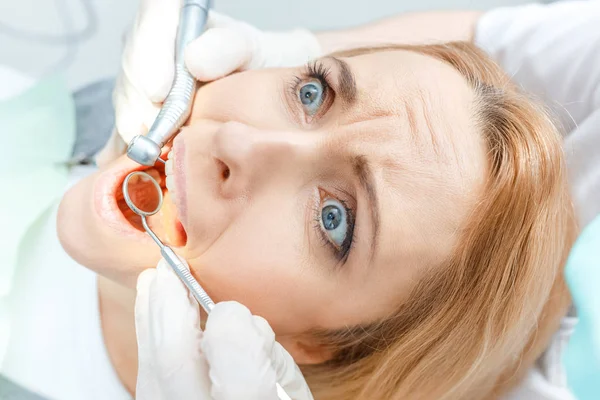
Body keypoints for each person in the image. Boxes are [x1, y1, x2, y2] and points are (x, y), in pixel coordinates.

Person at [0, 2, 596, 400]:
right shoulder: (40, 120)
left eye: (333, 220)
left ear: (318, 343)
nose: (240, 140)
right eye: (314, 92)